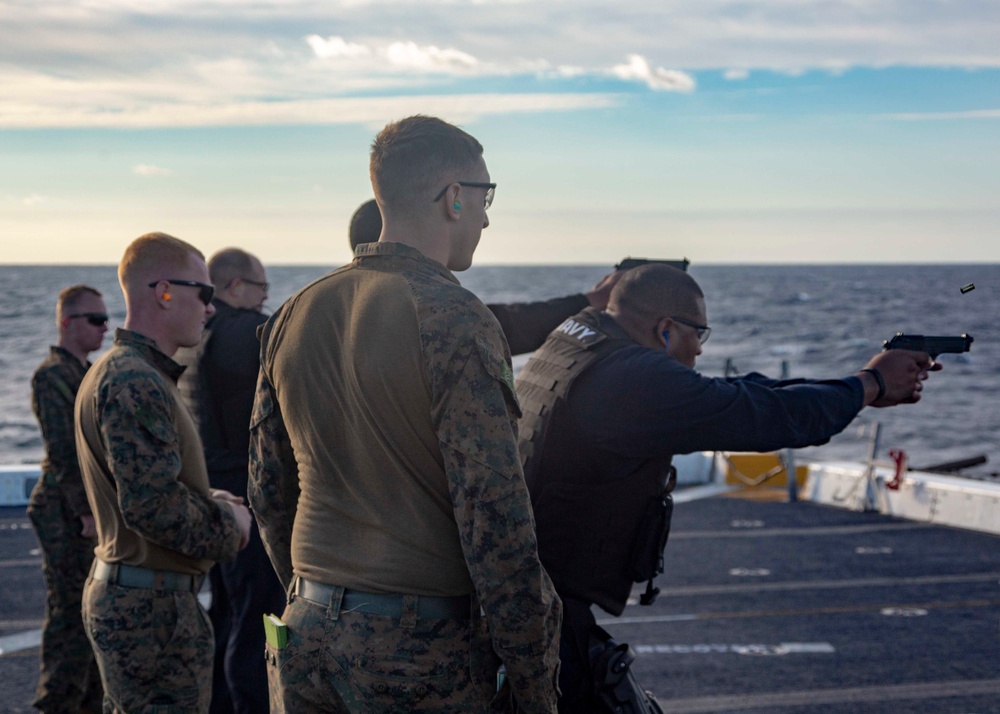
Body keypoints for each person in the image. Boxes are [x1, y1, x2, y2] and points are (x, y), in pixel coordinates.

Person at [514, 264, 939, 713]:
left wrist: (854, 382)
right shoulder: (634, 380)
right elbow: (763, 416)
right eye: (700, 333)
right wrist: (871, 385)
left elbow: (734, 393)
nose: (698, 350)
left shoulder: (582, 338)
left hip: (531, 591)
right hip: (543, 610)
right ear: (666, 330)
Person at [250, 115, 561, 712]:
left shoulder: (293, 313)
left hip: (304, 632)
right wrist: (533, 678)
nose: (488, 216)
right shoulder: (454, 317)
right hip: (415, 651)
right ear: (453, 198)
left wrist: (312, 593)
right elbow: (494, 516)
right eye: (484, 195)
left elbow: (268, 490)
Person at [75, 232, 252, 713]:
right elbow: (151, 507)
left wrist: (210, 496)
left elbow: (146, 484)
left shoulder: (128, 372)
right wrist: (229, 526)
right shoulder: (134, 380)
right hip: (150, 612)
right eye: (205, 293)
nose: (211, 309)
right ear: (165, 291)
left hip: (145, 600)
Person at [176, 247, 285, 714]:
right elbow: (302, 335)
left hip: (210, 492)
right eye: (261, 288)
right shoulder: (243, 331)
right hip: (244, 496)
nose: (265, 299)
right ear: (235, 287)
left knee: (224, 613)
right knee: (254, 618)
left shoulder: (196, 337)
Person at [348, 197, 623, 354]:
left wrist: (588, 299)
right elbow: (508, 326)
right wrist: (590, 301)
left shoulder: (321, 310)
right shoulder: (437, 321)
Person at [27, 285, 108, 714]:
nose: (105, 326)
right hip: (65, 510)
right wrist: (86, 511)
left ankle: (88, 702)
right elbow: (63, 450)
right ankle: (55, 702)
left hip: (83, 508)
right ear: (67, 323)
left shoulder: (85, 373)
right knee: (68, 614)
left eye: (105, 318)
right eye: (95, 319)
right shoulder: (52, 376)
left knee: (90, 613)